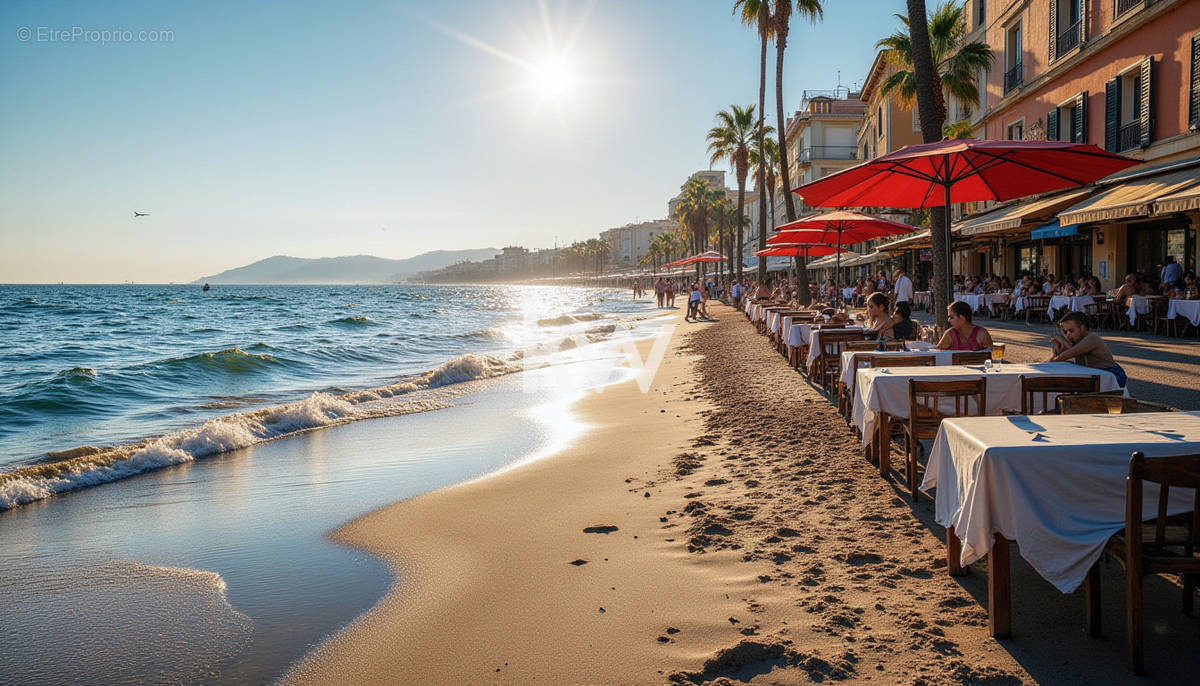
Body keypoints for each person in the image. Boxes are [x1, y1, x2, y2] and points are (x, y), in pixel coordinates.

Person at [1050, 311, 1127, 387]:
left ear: (1082, 328)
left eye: (1071, 330)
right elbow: (1058, 358)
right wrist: (1057, 347)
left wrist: (1062, 341)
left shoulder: (1092, 338)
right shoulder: (1074, 340)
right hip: (1094, 375)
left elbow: (1066, 355)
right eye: (1065, 332)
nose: (1067, 335)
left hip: (1110, 375)